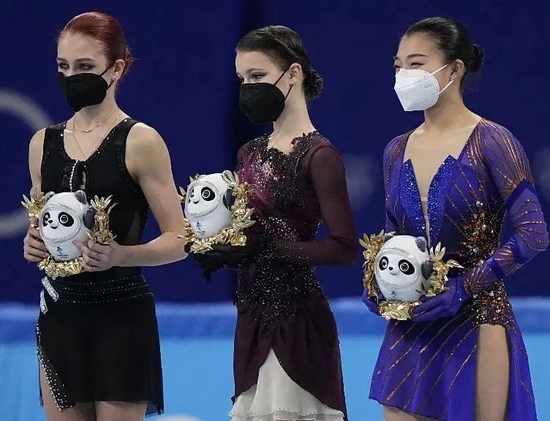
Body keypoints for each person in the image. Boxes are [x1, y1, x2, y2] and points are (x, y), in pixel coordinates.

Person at [362, 17, 549, 421]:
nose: (403, 75)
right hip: (411, 324)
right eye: (398, 65)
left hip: (477, 321)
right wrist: (377, 280)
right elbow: (395, 232)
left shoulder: (492, 141)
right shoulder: (396, 149)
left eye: (416, 64)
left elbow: (534, 233)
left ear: (454, 69)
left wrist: (464, 287)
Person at [22, 11, 186, 421]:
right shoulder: (42, 143)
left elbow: (180, 239)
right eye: (63, 66)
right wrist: (34, 243)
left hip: (120, 317)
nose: (71, 77)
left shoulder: (140, 141)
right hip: (61, 315)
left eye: (84, 67)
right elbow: (44, 229)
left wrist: (120, 255)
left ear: (116, 69)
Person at [193, 25, 357, 421]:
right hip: (251, 318)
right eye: (242, 79)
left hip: (297, 320)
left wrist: (265, 248)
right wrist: (222, 250)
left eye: (258, 76)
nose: (248, 88)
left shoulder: (320, 155)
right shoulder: (249, 153)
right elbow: (249, 233)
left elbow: (344, 249)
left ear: (293, 73)